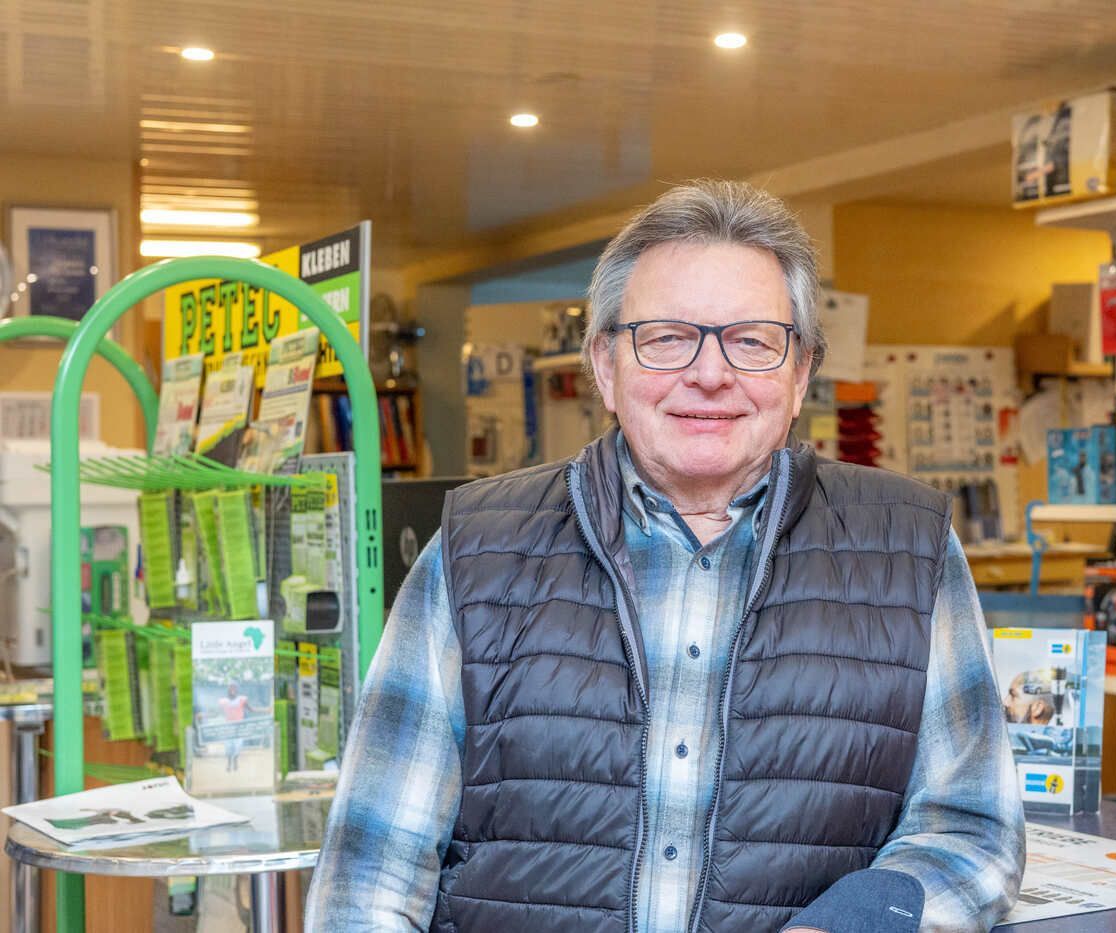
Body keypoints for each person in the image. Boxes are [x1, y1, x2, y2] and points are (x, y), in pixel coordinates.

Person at [307, 180, 1024, 932]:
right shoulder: (473, 550)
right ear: (605, 365)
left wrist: (848, 925)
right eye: (667, 336)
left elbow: (971, 830)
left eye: (751, 340)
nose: (710, 374)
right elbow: (370, 874)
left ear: (801, 371)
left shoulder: (908, 549)